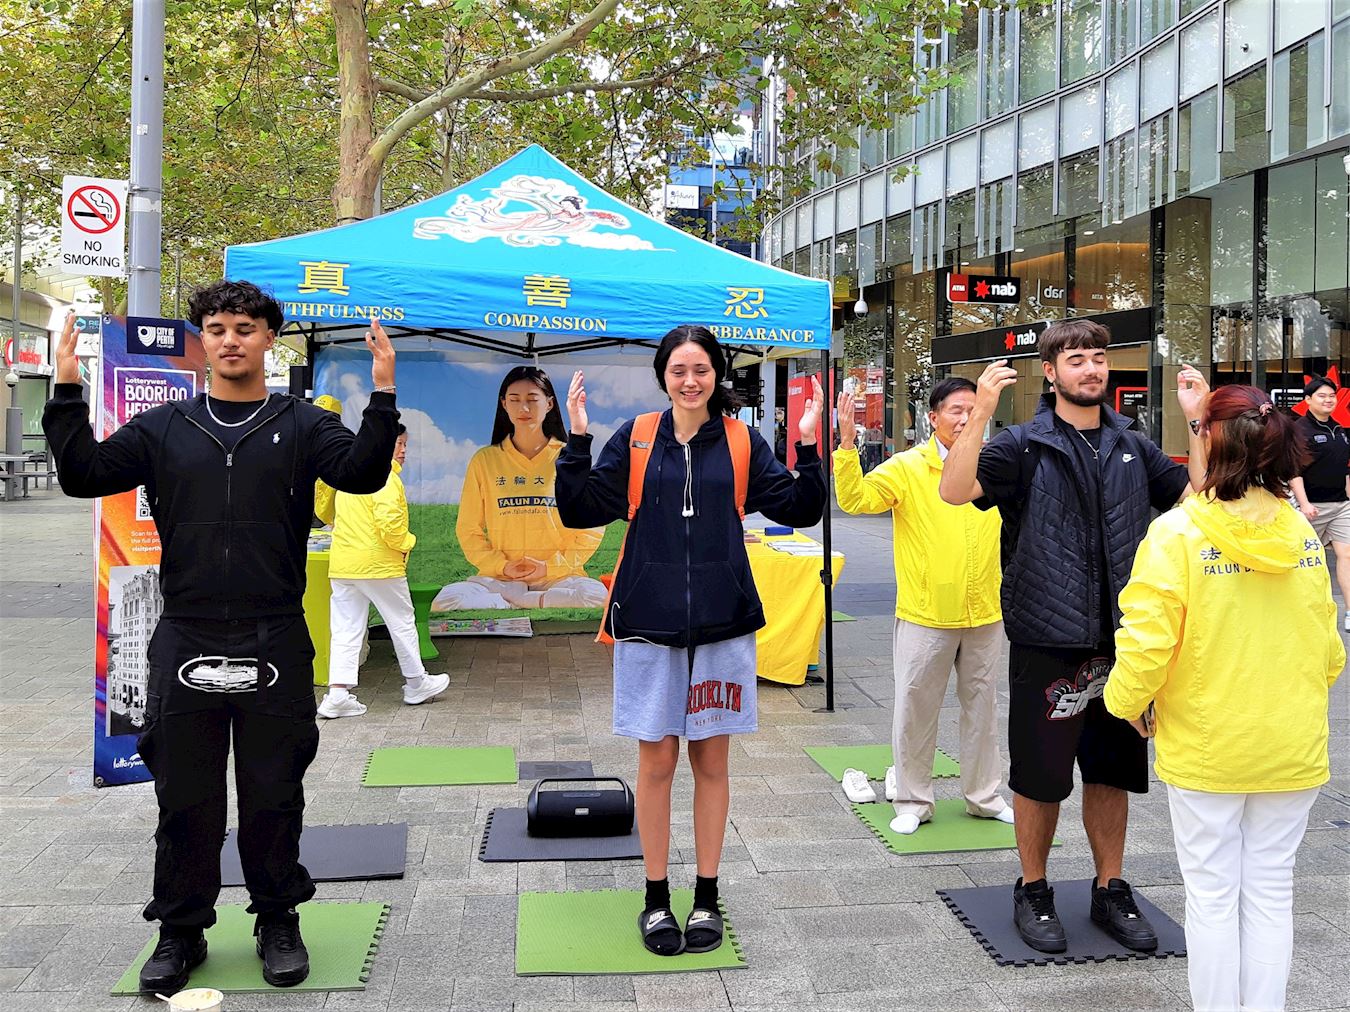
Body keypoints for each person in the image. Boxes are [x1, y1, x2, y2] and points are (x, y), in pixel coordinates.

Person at [43, 282, 399, 993]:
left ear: (270, 338)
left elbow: (361, 474)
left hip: (274, 634)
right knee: (185, 797)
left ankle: (278, 919)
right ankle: (180, 930)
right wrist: (66, 387)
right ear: (202, 340)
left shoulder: (305, 424)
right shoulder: (163, 427)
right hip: (187, 632)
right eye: (216, 328)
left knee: (274, 791)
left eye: (244, 327)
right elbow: (83, 475)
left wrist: (383, 394)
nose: (230, 339)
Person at [938, 319, 1210, 955]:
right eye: (1077, 359)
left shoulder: (1132, 443)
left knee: (1112, 771)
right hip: (1046, 636)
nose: (1091, 369)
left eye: (1098, 358)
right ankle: (1033, 889)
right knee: (1040, 775)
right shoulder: (1021, 444)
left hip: (1124, 638)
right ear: (1051, 371)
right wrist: (981, 412)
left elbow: (1197, 499)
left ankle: (1110, 887)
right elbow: (953, 490)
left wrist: (1197, 421)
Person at [555, 325, 826, 957]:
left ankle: (706, 894)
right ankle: (656, 898)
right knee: (656, 763)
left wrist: (809, 444)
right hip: (648, 625)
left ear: (716, 375)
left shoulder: (740, 440)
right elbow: (578, 509)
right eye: (678, 370)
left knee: (711, 763)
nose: (690, 381)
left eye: (701, 369)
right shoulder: (637, 436)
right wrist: (578, 439)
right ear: (663, 376)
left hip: (722, 625)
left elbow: (799, 507)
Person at [1105, 385, 1344, 1011]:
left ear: (1209, 439)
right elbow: (1329, 650)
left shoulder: (1176, 532)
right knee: (1270, 890)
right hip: (1291, 742)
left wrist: (1125, 702)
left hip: (1208, 742)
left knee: (1211, 896)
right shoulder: (1300, 533)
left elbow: (1146, 642)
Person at [833, 378, 1012, 833]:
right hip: (926, 613)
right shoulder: (908, 466)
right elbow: (855, 499)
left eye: (973, 409)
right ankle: (913, 801)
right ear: (933, 418)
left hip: (984, 610)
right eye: (956, 410)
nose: (965, 418)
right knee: (915, 710)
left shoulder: (995, 463)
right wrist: (847, 444)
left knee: (984, 709)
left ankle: (984, 797)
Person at [432, 366, 607, 612]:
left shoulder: (569, 458)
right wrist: (501, 566)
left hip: (558, 577)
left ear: (549, 404)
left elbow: (591, 527)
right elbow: (468, 529)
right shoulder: (485, 460)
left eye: (532, 399)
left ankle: (516, 603)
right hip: (501, 579)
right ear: (504, 404)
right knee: (446, 599)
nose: (523, 408)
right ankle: (527, 600)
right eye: (514, 400)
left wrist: (550, 567)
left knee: (596, 596)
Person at [320, 424, 451, 718]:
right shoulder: (386, 476)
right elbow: (390, 523)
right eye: (398, 444)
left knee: (345, 629)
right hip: (379, 565)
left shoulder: (348, 474)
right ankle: (416, 683)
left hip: (343, 564)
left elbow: (326, 513)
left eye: (405, 444)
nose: (404, 451)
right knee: (402, 621)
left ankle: (337, 694)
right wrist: (407, 543)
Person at [1290, 375, 1350, 631]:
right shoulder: (1299, 430)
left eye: (1332, 396)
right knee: (1306, 560)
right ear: (1307, 400)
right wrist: (1304, 504)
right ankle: (1300, 611)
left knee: (1347, 555)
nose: (1328, 400)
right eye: (1322, 396)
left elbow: (1344, 470)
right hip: (1312, 507)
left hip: (1341, 506)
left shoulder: (1340, 430)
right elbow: (1293, 471)